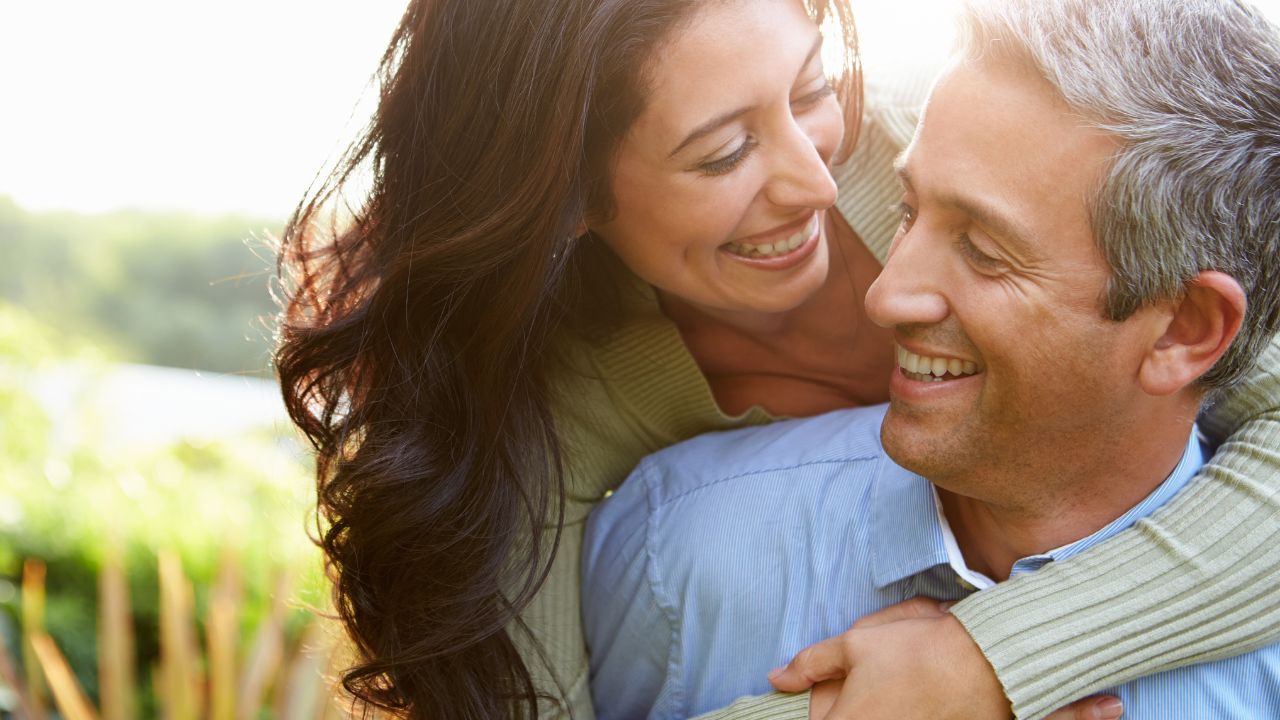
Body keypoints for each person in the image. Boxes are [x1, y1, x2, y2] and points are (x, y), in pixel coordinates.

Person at [272, 0, 1280, 716]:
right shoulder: (555, 416)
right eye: (720, 154)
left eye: (808, 90)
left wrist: (993, 663)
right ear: (568, 195)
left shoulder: (979, 145)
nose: (813, 179)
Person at [582, 0, 1280, 717]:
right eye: (906, 210)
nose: (884, 295)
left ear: (1183, 332)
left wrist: (998, 659)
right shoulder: (674, 550)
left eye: (982, 250)